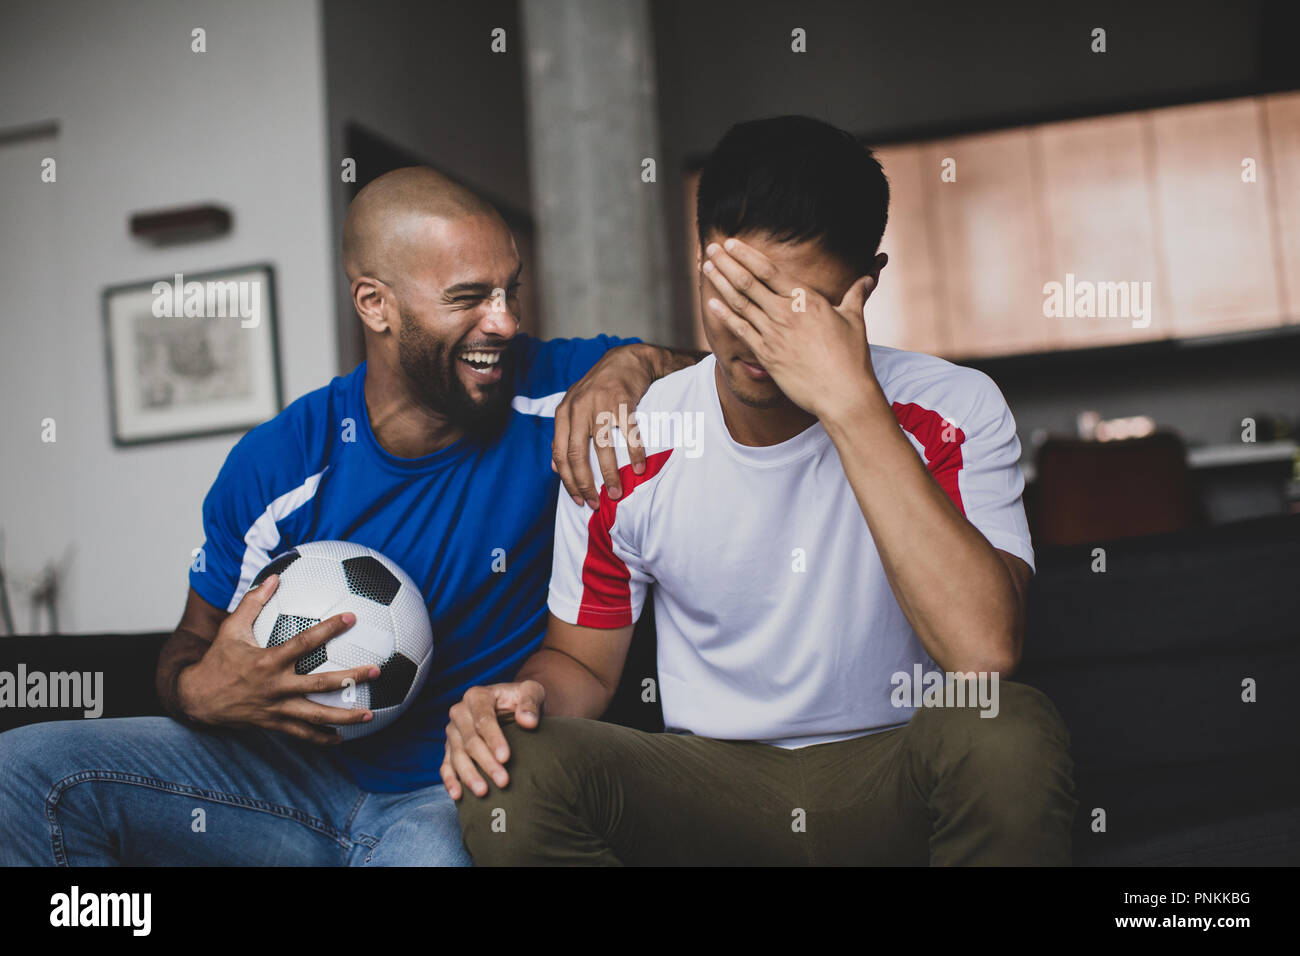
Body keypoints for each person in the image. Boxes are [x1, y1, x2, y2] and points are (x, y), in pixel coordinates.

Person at [0, 166, 700, 866]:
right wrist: (201, 689)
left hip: (449, 795)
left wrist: (636, 364)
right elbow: (187, 645)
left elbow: (730, 374)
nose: (506, 321)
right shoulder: (278, 463)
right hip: (280, 788)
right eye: (469, 299)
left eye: (508, 290)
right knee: (27, 770)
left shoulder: (561, 390)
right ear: (375, 304)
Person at [448, 116, 1077, 865]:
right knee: (512, 775)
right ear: (702, 260)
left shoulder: (953, 409)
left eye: (798, 304)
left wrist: (851, 407)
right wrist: (521, 701)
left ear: (864, 283)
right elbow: (583, 665)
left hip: (899, 763)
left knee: (1008, 729)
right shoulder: (634, 435)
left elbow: (984, 654)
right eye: (738, 294)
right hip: (718, 787)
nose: (756, 336)